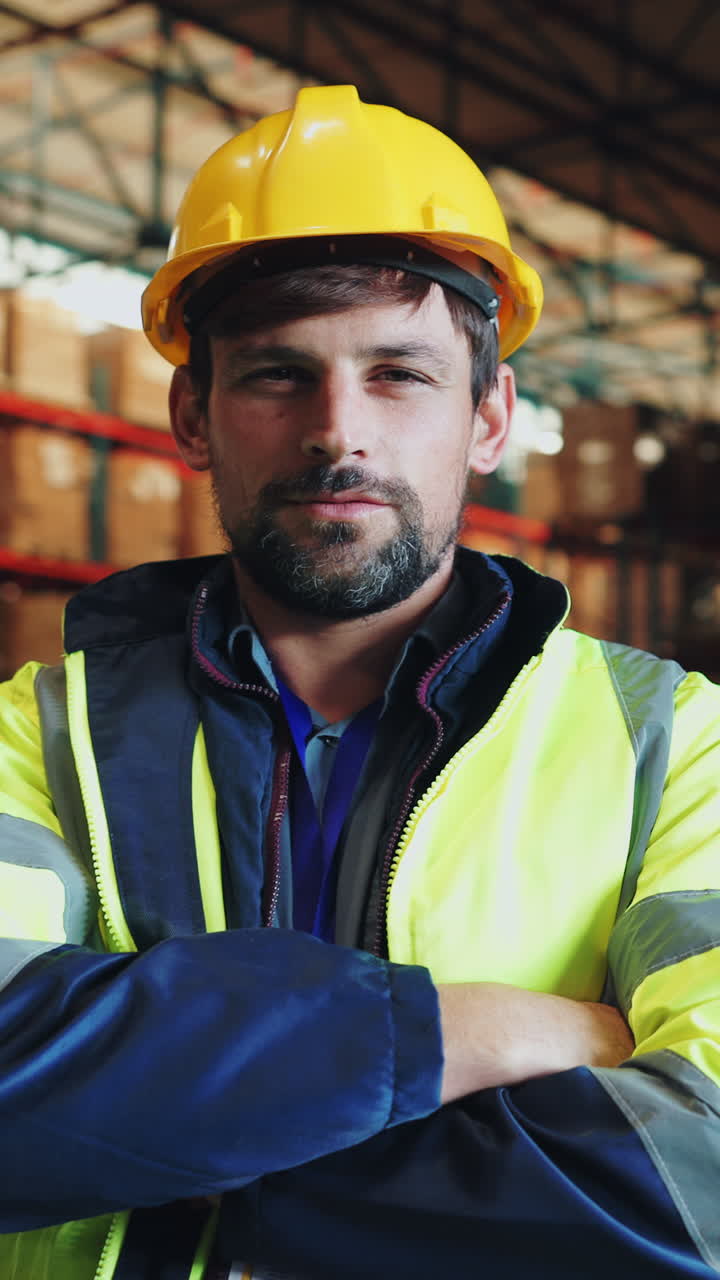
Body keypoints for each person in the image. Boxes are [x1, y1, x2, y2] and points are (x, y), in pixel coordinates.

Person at [0, 83, 718, 1280]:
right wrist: (463, 1031)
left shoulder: (671, 744)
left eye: (400, 374)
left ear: (488, 417)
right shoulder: (39, 731)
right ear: (193, 413)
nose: (341, 431)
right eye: (279, 376)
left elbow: (699, 1170)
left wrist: (168, 1147)